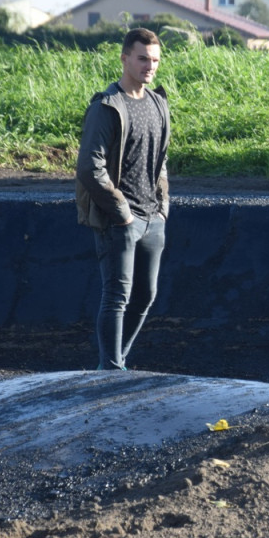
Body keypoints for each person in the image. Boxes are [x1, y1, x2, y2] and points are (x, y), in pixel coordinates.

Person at [76, 28, 171, 372]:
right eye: (143, 58)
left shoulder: (159, 103)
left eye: (155, 60)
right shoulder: (107, 106)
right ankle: (112, 370)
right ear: (125, 58)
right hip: (121, 221)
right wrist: (122, 213)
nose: (150, 66)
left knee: (145, 297)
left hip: (153, 218)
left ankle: (114, 364)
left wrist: (162, 208)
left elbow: (161, 160)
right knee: (117, 297)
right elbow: (89, 166)